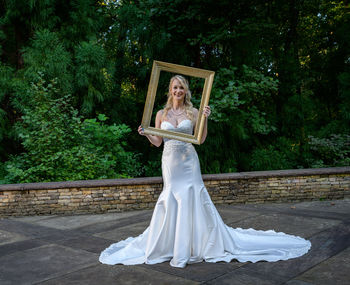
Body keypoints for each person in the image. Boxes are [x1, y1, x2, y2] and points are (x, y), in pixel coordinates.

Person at [99, 75, 311, 268]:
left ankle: (196, 244)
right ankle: (170, 244)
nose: (178, 91)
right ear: (169, 90)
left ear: (186, 90)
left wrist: (205, 118)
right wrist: (145, 133)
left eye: (181, 87)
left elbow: (199, 140)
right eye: (175, 87)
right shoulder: (161, 113)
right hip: (170, 162)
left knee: (191, 196)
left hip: (189, 162)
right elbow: (157, 142)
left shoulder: (193, 112)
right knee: (171, 198)